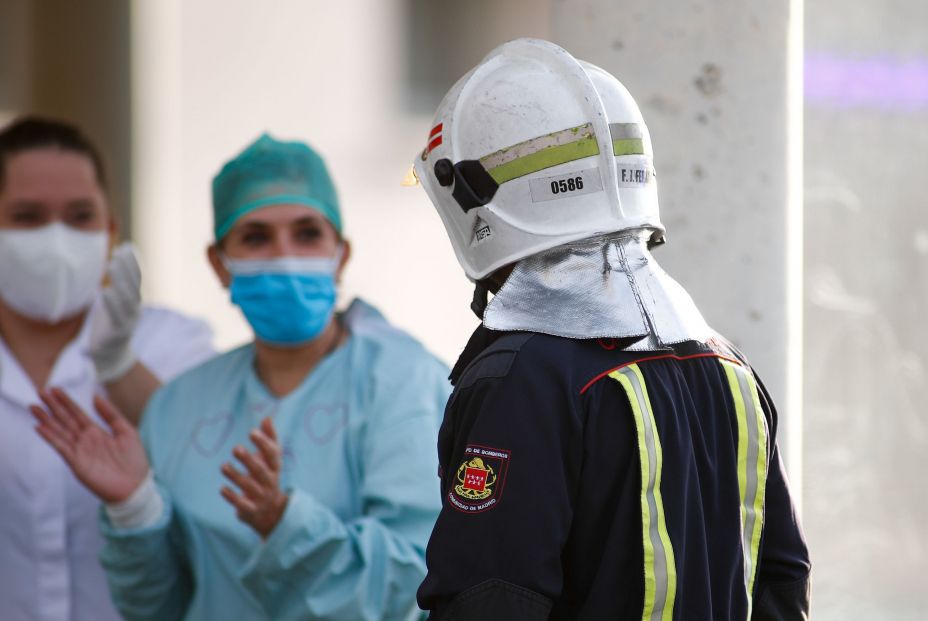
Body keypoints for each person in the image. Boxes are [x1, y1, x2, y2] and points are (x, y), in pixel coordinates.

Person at [411, 39, 811, 620]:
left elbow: (487, 597)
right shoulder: (728, 367)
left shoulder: (521, 380)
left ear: (477, 203)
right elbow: (782, 583)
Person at [32, 133, 451, 620]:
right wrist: (133, 508)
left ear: (341, 253)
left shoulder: (405, 383)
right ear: (219, 264)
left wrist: (287, 527)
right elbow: (159, 608)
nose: (284, 255)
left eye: (307, 233)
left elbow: (415, 589)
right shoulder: (182, 404)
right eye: (255, 237)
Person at [0, 116, 215, 621]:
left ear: (111, 231)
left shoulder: (172, 343)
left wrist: (118, 366)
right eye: (27, 216)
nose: (56, 239)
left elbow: (208, 461)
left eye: (79, 216)